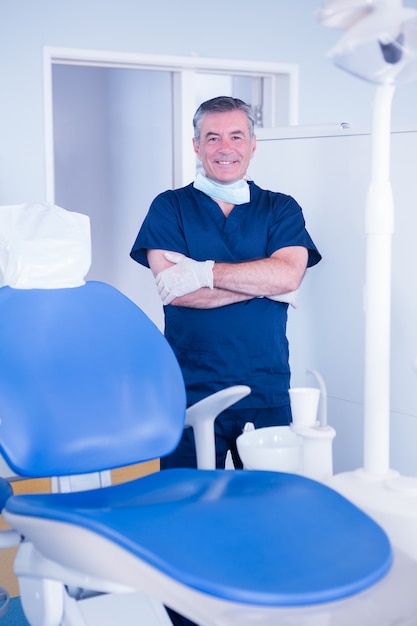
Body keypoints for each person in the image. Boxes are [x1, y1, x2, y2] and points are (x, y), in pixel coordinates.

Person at [130, 95, 321, 626]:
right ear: (196, 146)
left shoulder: (281, 208)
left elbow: (288, 275)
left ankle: (260, 610)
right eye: (212, 137)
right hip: (188, 385)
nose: (225, 148)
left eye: (236, 136)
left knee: (267, 510)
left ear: (253, 145)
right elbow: (173, 289)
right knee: (185, 514)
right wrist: (257, 282)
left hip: (264, 384)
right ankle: (187, 616)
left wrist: (203, 271)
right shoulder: (169, 207)